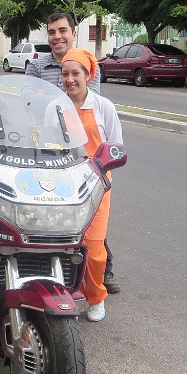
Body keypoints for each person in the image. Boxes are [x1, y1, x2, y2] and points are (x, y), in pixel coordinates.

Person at [26, 11, 120, 295]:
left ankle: (100, 275)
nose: (57, 37)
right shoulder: (37, 66)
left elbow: (86, 104)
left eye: (62, 31)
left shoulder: (89, 67)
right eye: (52, 32)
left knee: (92, 229)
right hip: (54, 155)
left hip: (89, 165)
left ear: (73, 33)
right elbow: (31, 104)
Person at [59, 48, 123, 322]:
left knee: (94, 249)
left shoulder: (103, 107)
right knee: (60, 246)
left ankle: (96, 297)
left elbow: (117, 147)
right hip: (62, 184)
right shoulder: (55, 107)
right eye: (65, 74)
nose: (70, 79)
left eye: (76, 73)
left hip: (97, 186)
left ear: (88, 75)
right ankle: (63, 298)